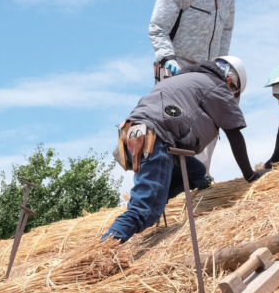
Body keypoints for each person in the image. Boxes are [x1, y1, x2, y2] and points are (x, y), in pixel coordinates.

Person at [104, 56, 263, 243]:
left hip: (134, 133)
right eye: (233, 90)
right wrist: (250, 175)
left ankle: (156, 195)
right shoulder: (217, 86)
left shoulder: (187, 79)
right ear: (231, 81)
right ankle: (100, 252)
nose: (230, 95)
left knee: (196, 172)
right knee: (144, 212)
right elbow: (234, 133)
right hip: (157, 138)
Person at [149, 0, 252, 173]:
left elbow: (227, 29)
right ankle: (171, 178)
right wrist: (168, 58)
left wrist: (220, 64)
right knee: (177, 125)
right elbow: (157, 29)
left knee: (211, 124)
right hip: (179, 66)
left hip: (209, 69)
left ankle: (200, 176)